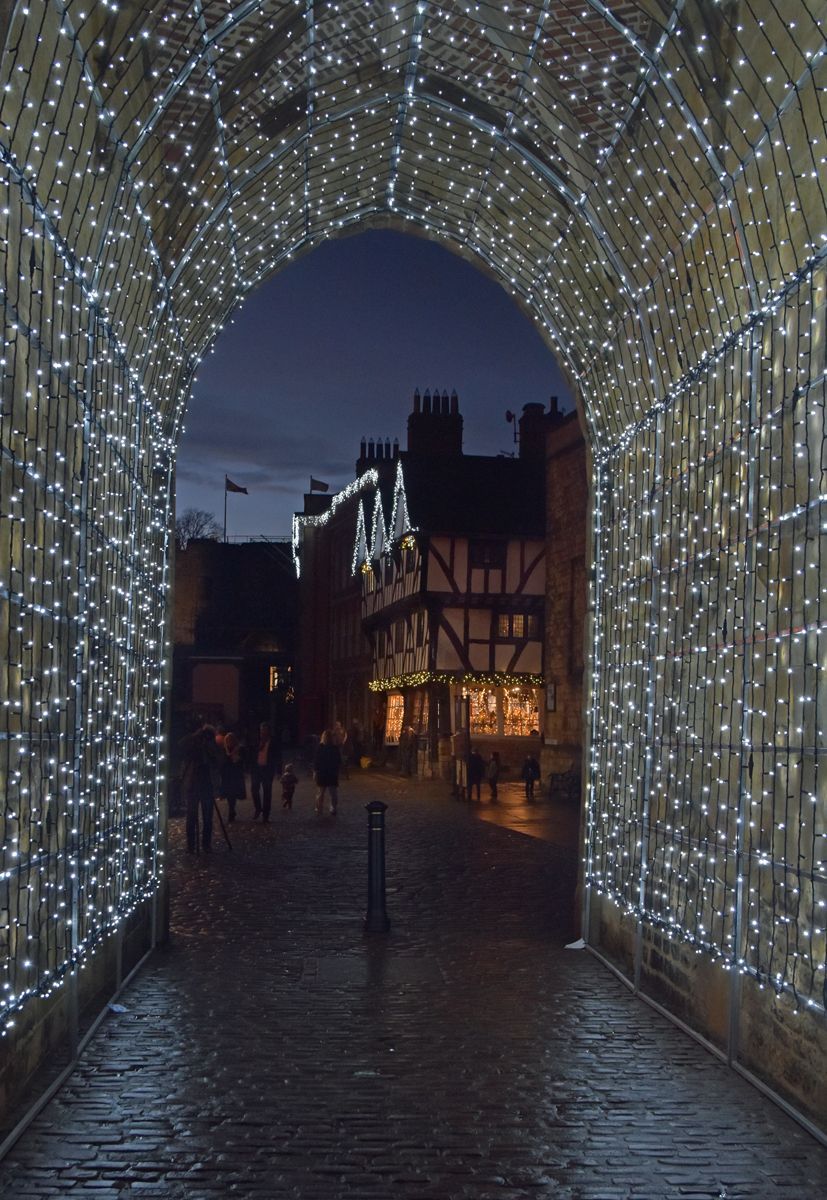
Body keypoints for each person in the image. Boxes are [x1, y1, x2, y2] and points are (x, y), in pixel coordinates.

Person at [180, 724, 218, 854]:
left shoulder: (211, 747)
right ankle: (192, 845)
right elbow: (182, 745)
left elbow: (216, 760)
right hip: (194, 784)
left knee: (207, 817)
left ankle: (205, 844)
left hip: (205, 784)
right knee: (192, 816)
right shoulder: (193, 745)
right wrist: (196, 736)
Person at [251, 721, 279, 822]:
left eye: (265, 730)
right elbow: (251, 753)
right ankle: (258, 808)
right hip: (256, 768)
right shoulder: (256, 740)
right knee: (254, 789)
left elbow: (277, 756)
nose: (263, 732)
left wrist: (279, 771)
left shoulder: (273, 742)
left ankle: (265, 815)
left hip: (267, 769)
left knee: (267, 792)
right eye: (262, 730)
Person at [314, 729, 341, 816]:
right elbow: (338, 761)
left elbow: (316, 761)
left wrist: (315, 771)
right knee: (332, 793)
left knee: (321, 793)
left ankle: (319, 808)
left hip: (322, 772)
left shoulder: (320, 748)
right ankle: (333, 808)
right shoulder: (334, 748)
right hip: (331, 772)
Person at [220, 731, 246, 823]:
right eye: (227, 740)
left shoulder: (238, 749)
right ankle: (232, 810)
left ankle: (231, 811)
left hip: (235, 775)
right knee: (229, 794)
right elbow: (222, 762)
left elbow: (241, 762)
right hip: (227, 775)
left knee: (233, 794)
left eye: (230, 740)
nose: (229, 742)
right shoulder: (224, 750)